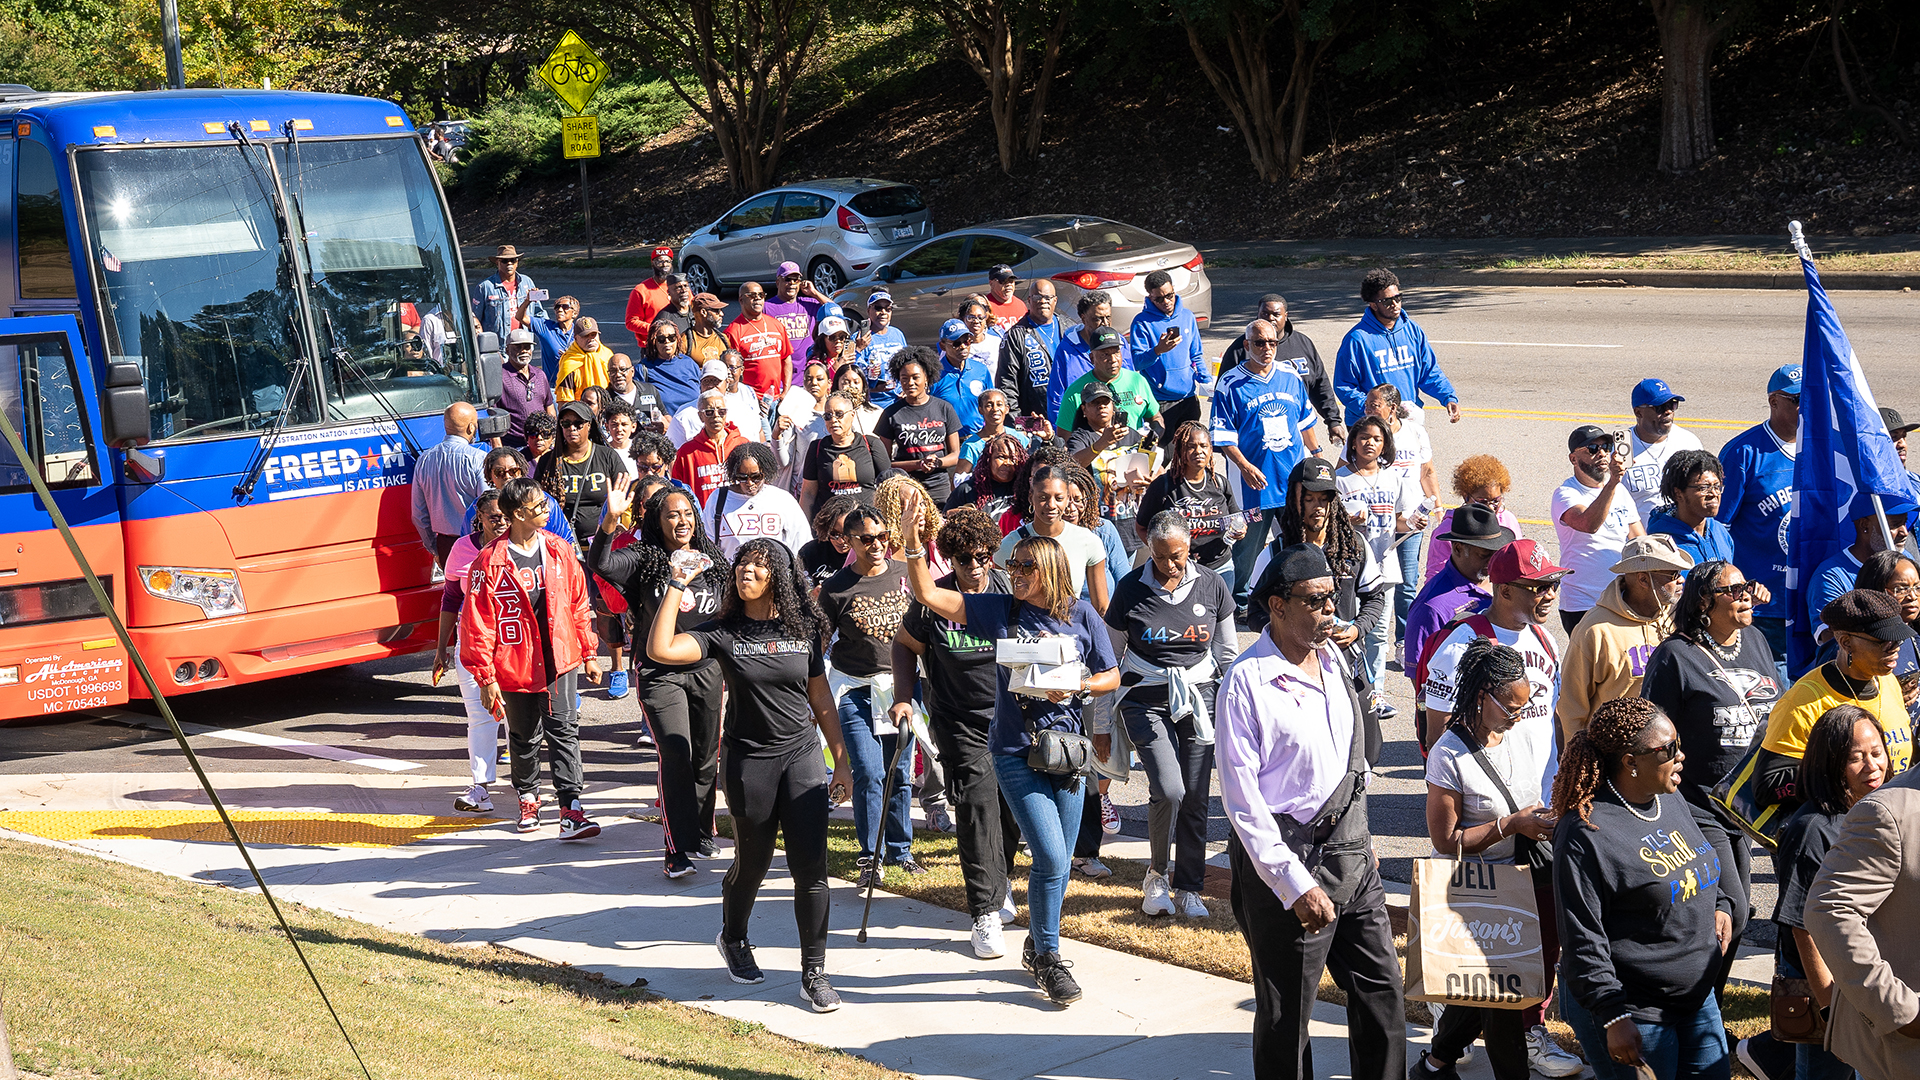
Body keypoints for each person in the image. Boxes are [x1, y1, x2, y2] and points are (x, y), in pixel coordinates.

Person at [898, 492, 1120, 1006]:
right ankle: (1049, 954)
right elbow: (930, 596)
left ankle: (1041, 948)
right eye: (1011, 563)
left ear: (1050, 570)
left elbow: (1112, 674)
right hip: (1014, 750)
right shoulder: (998, 610)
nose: (1011, 570)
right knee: (1047, 853)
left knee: (1059, 862)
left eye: (1024, 565)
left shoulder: (1083, 615)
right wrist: (913, 546)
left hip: (1066, 751)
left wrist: (1081, 686)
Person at [1217, 544, 1403, 1080]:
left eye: (1333, 599)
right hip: (1286, 864)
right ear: (1276, 606)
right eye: (1316, 602)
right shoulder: (1247, 682)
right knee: (1286, 1014)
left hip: (1350, 854)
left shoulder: (1337, 658)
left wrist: (1361, 840)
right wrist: (1292, 884)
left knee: (1381, 990)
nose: (1330, 612)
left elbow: (1351, 759)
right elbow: (1242, 800)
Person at [645, 536, 852, 1012]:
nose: (747, 573)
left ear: (777, 575)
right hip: (748, 761)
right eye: (742, 566)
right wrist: (678, 583)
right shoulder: (724, 631)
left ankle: (814, 972)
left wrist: (841, 760)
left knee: (811, 869)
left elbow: (820, 698)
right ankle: (734, 937)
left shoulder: (803, 630)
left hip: (801, 757)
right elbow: (661, 649)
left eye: (759, 567)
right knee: (753, 863)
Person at [1416, 638, 1579, 1080]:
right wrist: (1509, 826)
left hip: (1529, 878)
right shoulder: (1449, 754)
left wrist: (1544, 818)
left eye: (1525, 707)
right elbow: (1447, 841)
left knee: (1495, 992)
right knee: (1502, 999)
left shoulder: (1520, 733)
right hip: (1478, 894)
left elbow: (1531, 795)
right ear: (1482, 694)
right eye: (1511, 707)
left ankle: (1435, 1062)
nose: (1519, 716)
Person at [1550, 698, 1737, 1080]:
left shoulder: (1668, 800)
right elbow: (1582, 938)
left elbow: (1700, 856)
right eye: (1668, 749)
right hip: (1633, 1010)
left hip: (1696, 998)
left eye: (1678, 743)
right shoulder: (1585, 834)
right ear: (1630, 762)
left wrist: (1721, 904)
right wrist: (1613, 1015)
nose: (1681, 755)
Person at [1639, 559, 1782, 1007]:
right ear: (1704, 602)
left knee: (1738, 913)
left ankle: (1706, 1007)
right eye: (1734, 590)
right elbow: (1651, 730)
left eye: (1747, 587)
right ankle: (1695, 1005)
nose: (1746, 596)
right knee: (1732, 909)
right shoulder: (1675, 656)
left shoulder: (1756, 641)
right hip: (1699, 802)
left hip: (1751, 802)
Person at [890, 507, 1022, 958]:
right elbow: (904, 646)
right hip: (958, 720)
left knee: (1009, 810)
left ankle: (1000, 882)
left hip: (1010, 718)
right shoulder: (935, 599)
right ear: (951, 557)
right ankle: (984, 912)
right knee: (977, 805)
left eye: (984, 554)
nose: (975, 564)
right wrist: (904, 697)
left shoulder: (1010, 593)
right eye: (965, 556)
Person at [589, 478, 730, 876]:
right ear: (658, 520)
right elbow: (599, 564)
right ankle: (675, 848)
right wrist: (609, 523)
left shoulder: (712, 561)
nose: (682, 521)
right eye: (672, 515)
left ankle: (703, 830)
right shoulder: (643, 558)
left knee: (705, 759)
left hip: (707, 671)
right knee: (676, 755)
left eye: (687, 514)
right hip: (659, 674)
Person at [1108, 513, 1236, 918]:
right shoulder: (1130, 588)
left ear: (1190, 547)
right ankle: (1157, 875)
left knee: (1197, 795)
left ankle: (1190, 887)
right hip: (1144, 697)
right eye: (1160, 557)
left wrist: (1232, 707)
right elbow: (1110, 657)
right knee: (1170, 790)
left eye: (1177, 556)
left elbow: (1227, 653)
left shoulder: (1212, 584)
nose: (1169, 565)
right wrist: (1098, 722)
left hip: (1199, 695)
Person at [460, 477, 603, 838]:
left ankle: (571, 809)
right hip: (514, 665)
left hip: (560, 659)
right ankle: (528, 799)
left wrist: (589, 652)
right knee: (523, 736)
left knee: (565, 731)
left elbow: (578, 603)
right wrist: (486, 677)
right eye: (539, 506)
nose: (546, 510)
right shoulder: (488, 562)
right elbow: (478, 624)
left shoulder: (559, 550)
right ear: (519, 514)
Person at [1768, 705, 1888, 1080]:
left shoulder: (1879, 810)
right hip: (1829, 981)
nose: (1872, 766)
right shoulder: (1812, 831)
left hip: (1871, 971)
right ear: (1830, 763)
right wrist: (1828, 1009)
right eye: (1855, 758)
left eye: (1877, 752)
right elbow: (1802, 927)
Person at [1802, 717, 1920, 1080]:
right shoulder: (1886, 813)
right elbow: (1828, 912)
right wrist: (1899, 1012)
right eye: (1857, 756)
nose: (1872, 765)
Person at [817, 505, 919, 882]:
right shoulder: (836, 587)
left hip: (901, 690)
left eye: (881, 537)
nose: (876, 545)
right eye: (865, 539)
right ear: (850, 542)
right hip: (856, 689)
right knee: (869, 773)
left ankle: (900, 850)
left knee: (901, 773)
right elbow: (820, 642)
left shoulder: (906, 575)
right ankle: (870, 857)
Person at [1755, 589, 1915, 811]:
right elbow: (1768, 785)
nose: (1895, 648)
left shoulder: (1888, 683)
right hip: (1839, 836)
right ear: (1846, 642)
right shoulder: (1804, 702)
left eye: (1898, 639)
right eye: (1883, 641)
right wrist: (1844, 771)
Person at [1245, 459, 1386, 702]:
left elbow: (1375, 597)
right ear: (1294, 500)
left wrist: (1356, 629)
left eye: (1324, 499)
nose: (1318, 507)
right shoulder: (1275, 552)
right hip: (1293, 670)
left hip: (1348, 663)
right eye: (1309, 499)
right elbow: (1254, 613)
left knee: (1364, 739)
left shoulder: (1355, 547)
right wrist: (1292, 633)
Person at [1214, 318, 1323, 613]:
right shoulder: (1230, 384)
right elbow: (1224, 437)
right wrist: (1245, 466)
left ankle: (1292, 594)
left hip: (1290, 480)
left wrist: (1316, 453)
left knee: (1296, 541)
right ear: (1247, 345)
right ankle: (1238, 602)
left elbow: (1305, 422)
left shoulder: (1290, 376)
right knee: (1246, 546)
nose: (1267, 349)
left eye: (1272, 343)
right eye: (1260, 343)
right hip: (1252, 485)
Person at [1418, 538, 1565, 756]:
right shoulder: (1460, 647)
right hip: (1489, 787)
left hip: (1542, 787)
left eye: (1554, 584)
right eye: (1540, 587)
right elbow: (1437, 739)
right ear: (1505, 591)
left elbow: (1551, 714)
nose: (1551, 595)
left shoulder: (1546, 640)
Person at [1560, 534, 1691, 739]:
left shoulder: (1676, 619)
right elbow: (1571, 708)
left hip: (1665, 750)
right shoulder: (1595, 630)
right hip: (1616, 755)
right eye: (1673, 574)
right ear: (1643, 579)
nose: (1681, 580)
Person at [1716, 363, 1801, 671]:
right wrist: (1737, 585)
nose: (1805, 407)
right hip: (1764, 606)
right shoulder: (1744, 453)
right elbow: (1718, 528)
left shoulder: (1822, 451)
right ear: (1774, 402)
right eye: (1797, 400)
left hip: (1809, 599)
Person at [1336, 414, 1425, 701]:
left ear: (1385, 444)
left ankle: (1375, 693)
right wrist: (1348, 520)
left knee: (1377, 634)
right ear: (1353, 442)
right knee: (1348, 628)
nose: (1369, 443)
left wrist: (1411, 524)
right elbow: (1327, 524)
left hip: (1385, 567)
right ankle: (1347, 688)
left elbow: (1397, 521)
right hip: (1350, 568)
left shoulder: (1393, 478)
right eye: (1363, 438)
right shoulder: (1341, 479)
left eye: (1377, 438)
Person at [434, 487, 510, 814]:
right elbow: (451, 598)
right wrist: (441, 649)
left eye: (508, 517)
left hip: (513, 641)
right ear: (478, 518)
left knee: (520, 714)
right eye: (494, 517)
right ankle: (480, 788)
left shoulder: (525, 548)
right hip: (473, 642)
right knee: (480, 716)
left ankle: (529, 790)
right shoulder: (462, 550)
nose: (502, 523)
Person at [1331, 269, 1462, 428]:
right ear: (1373, 305)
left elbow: (1429, 372)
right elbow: (1345, 387)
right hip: (1369, 425)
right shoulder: (1357, 339)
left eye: (1398, 298)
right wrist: (1376, 410)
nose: (1395, 305)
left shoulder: (1412, 330)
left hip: (1406, 420)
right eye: (1387, 301)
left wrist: (1448, 397)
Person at [1554, 424, 1648, 635]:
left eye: (1606, 446)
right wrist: (1613, 483)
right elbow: (1589, 524)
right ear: (1573, 459)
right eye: (1592, 449)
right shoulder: (1566, 493)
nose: (1603, 453)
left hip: (1621, 599)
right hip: (1584, 604)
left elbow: (1639, 540)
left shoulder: (1621, 491)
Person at [1404, 504, 1513, 683]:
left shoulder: (1502, 579)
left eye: (1496, 553)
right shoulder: (1431, 607)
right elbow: (1422, 679)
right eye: (1484, 554)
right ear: (1457, 548)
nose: (1492, 561)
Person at [1218, 294, 1343, 441]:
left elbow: (1320, 385)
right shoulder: (1241, 348)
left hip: (1297, 432)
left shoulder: (1303, 344)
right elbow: (1224, 395)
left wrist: (1333, 420)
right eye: (1264, 314)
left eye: (1276, 314)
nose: (1270, 318)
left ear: (1286, 316)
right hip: (1253, 437)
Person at [1137, 420, 1242, 587]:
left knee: (1222, 614)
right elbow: (1142, 527)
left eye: (1203, 446)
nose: (1198, 451)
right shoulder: (1163, 486)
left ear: (1210, 450)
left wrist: (1240, 530)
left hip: (1220, 568)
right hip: (1179, 572)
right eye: (1191, 446)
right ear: (1180, 450)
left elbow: (1237, 518)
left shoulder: (1220, 483)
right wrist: (1164, 555)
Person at [995, 463, 1110, 613]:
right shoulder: (1009, 545)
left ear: (1068, 499)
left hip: (1070, 630)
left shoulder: (1088, 541)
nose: (1051, 505)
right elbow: (1000, 603)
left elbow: (1101, 608)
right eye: (1043, 497)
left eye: (1059, 498)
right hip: (1024, 632)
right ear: (1031, 498)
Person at [1806, 498, 1915, 654]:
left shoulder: (1905, 560)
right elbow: (1829, 637)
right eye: (1894, 525)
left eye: (1904, 523)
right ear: (1865, 525)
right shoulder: (1831, 576)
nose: (1904, 532)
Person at [535, 400, 630, 544]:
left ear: (589, 425)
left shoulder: (607, 456)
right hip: (561, 544)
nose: (572, 428)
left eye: (578, 424)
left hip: (600, 543)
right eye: (565, 424)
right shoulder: (548, 461)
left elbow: (625, 496)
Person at [877, 347, 962, 506]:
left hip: (939, 486)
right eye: (904, 378)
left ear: (927, 378)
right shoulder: (891, 413)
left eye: (915, 377)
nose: (910, 383)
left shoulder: (944, 408)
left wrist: (937, 462)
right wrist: (918, 464)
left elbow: (956, 454)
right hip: (906, 486)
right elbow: (884, 463)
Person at [1128, 269, 1208, 432]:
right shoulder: (1142, 322)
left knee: (1188, 450)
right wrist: (1158, 350)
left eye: (1169, 295)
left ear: (1174, 290)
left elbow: (1196, 354)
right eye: (1159, 298)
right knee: (1163, 454)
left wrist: (1206, 380)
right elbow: (1137, 362)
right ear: (1150, 297)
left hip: (1188, 397)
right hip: (1160, 400)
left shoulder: (1187, 316)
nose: (1166, 302)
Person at [1423, 454, 1522, 583]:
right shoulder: (1448, 529)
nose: (1491, 508)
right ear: (1466, 496)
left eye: (1496, 501)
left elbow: (1519, 561)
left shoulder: (1508, 520)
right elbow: (1435, 576)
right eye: (1483, 501)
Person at [413, 402, 490, 567]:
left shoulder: (424, 459)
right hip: (475, 543)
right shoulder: (479, 459)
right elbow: (488, 507)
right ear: (471, 428)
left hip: (445, 545)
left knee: (453, 592)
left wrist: (435, 548)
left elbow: (419, 515)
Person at [703, 443, 810, 560]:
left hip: (775, 576)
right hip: (731, 576)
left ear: (766, 472)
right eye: (742, 477)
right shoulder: (718, 499)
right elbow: (708, 544)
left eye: (756, 477)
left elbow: (801, 543)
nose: (750, 483)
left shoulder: (782, 500)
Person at [1618, 378, 1704, 522]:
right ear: (1638, 412)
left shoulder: (1688, 442)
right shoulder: (1622, 448)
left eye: (1672, 405)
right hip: (1640, 539)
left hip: (1680, 537)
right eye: (1660, 407)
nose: (1668, 411)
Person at [1059, 324, 1161, 436]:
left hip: (1135, 452)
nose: (1113, 360)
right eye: (1105, 355)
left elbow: (1155, 417)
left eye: (1116, 352)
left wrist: (1154, 437)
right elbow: (1064, 438)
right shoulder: (1076, 392)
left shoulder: (1138, 381)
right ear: (1092, 358)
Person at [800, 393, 888, 517]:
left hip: (866, 524)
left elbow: (888, 486)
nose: (833, 420)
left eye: (839, 414)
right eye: (828, 416)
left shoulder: (871, 444)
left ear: (852, 415)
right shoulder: (817, 448)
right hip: (830, 526)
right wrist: (805, 529)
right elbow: (808, 493)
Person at [1647, 451, 1735, 568]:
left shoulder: (1721, 532)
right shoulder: (1660, 544)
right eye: (1704, 488)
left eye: (1717, 486)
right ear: (1678, 494)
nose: (1714, 493)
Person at [1047, 290, 1124, 422]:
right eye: (1097, 318)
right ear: (1083, 318)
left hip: (1118, 425)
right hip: (1081, 428)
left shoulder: (1120, 343)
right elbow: (1056, 397)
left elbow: (1130, 381)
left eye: (1108, 317)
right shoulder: (1067, 350)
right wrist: (1059, 434)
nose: (1104, 323)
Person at [997, 278, 1067, 423]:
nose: (1043, 301)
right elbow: (1007, 383)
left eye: (1047, 297)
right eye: (1037, 297)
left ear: (1055, 300)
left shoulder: (1069, 330)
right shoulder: (1015, 336)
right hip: (1036, 420)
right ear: (1029, 300)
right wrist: (1018, 424)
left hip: (1069, 416)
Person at [670, 391, 748, 508]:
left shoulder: (743, 445)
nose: (716, 416)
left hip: (737, 515)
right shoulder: (687, 453)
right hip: (704, 520)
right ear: (701, 416)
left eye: (721, 411)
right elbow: (678, 490)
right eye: (709, 412)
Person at [726, 280, 794, 400]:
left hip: (777, 397)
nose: (757, 299)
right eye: (752, 295)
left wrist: (786, 390)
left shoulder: (776, 325)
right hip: (750, 399)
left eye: (761, 295)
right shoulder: (733, 331)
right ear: (741, 300)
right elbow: (730, 370)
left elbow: (786, 359)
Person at [772, 360, 831, 494]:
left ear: (829, 383)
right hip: (802, 491)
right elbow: (783, 461)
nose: (814, 383)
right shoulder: (793, 413)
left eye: (820, 379)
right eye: (808, 379)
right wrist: (776, 435)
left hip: (831, 488)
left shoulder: (838, 414)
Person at [494, 329, 556, 450]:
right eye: (517, 347)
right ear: (507, 350)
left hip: (542, 443)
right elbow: (493, 414)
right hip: (514, 446)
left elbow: (549, 407)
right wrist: (498, 448)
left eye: (527, 347)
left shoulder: (539, 374)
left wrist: (552, 437)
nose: (523, 351)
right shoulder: (499, 376)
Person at [930, 320, 993, 438]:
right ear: (943, 345)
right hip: (948, 443)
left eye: (967, 341)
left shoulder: (981, 370)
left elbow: (991, 404)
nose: (963, 346)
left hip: (978, 440)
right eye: (956, 343)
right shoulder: (934, 375)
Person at [471, 245, 544, 341]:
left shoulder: (527, 282)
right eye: (504, 261)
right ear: (497, 263)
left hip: (524, 343)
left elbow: (538, 313)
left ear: (517, 263)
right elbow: (475, 320)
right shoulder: (485, 287)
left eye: (512, 260)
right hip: (498, 345)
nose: (509, 264)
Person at [948, 432, 1027, 520]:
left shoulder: (1024, 490)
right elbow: (944, 521)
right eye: (1001, 457)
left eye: (1013, 458)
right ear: (989, 459)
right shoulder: (966, 491)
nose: (1007, 463)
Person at [852, 289, 905, 410]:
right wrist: (858, 349)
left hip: (898, 400)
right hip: (873, 403)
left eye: (888, 309)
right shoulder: (858, 338)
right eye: (878, 308)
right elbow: (849, 372)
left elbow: (908, 364)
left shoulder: (897, 334)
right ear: (868, 310)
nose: (883, 312)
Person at [637, 321, 703, 417]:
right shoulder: (643, 369)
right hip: (664, 428)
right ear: (653, 341)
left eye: (671, 337)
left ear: (677, 339)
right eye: (661, 339)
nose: (667, 342)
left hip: (693, 426)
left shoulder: (689, 363)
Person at [958, 388, 1033, 471]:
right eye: (989, 405)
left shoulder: (1019, 437)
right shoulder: (971, 446)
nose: (995, 409)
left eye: (999, 404)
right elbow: (958, 480)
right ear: (980, 410)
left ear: (1007, 409)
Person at [762, 261, 821, 362]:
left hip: (807, 369)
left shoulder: (809, 304)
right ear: (778, 282)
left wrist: (814, 293)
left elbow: (835, 310)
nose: (792, 283)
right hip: (780, 368)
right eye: (787, 279)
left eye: (796, 280)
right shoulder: (766, 307)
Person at [623, 245, 677, 349]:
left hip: (677, 344)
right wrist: (657, 329)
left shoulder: (680, 286)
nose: (664, 265)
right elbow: (631, 322)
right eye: (659, 262)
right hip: (652, 347)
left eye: (667, 261)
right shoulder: (641, 290)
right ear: (652, 264)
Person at [554, 317, 613, 404]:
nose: (591, 339)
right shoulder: (569, 363)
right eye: (585, 336)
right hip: (581, 413)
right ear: (575, 338)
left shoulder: (608, 356)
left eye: (593, 334)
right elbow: (564, 401)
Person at [528, 294, 578, 383]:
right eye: (557, 307)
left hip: (574, 385)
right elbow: (520, 317)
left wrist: (571, 356)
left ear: (574, 313)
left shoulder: (580, 332)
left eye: (565, 307)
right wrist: (527, 301)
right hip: (552, 387)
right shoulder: (546, 328)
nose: (559, 309)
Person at [684, 292, 730, 366]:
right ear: (703, 312)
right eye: (717, 310)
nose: (722, 314)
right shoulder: (685, 342)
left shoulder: (723, 339)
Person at [652, 274, 698, 339]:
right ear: (669, 292)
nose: (684, 290)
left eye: (686, 286)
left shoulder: (696, 311)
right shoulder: (664, 317)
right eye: (679, 287)